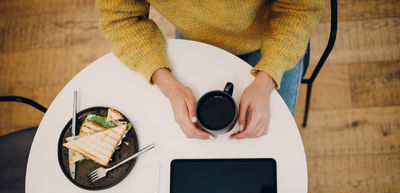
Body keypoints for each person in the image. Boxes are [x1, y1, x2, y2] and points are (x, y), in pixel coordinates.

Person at [96, 0, 324, 139]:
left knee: (272, 141)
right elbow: (120, 18)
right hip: (197, 38)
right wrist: (168, 85)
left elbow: (299, 7)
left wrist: (268, 77)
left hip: (272, 41)